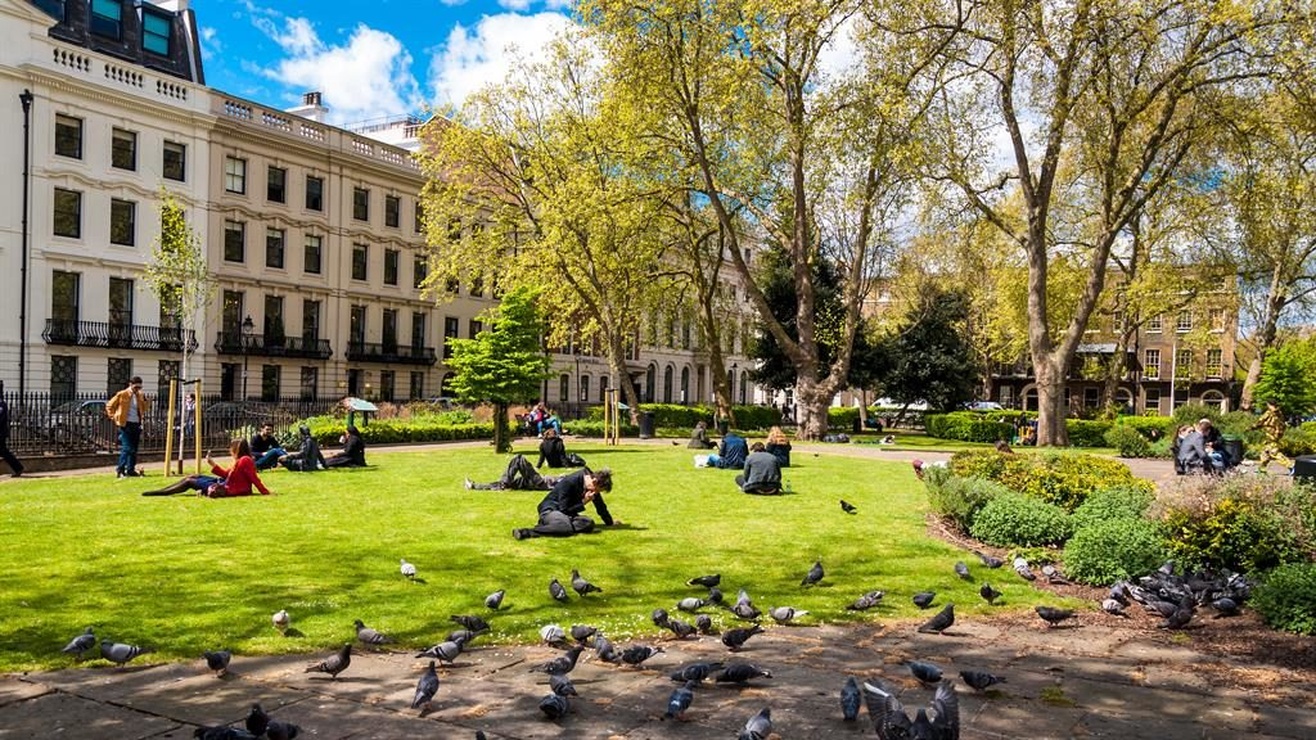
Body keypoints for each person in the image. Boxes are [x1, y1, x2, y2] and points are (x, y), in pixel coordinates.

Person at [142, 438, 271, 497]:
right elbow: (227, 475)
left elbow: (254, 478)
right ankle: (162, 490)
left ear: (237, 449)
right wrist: (212, 464)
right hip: (225, 483)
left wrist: (265, 492)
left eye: (231, 448)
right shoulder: (239, 460)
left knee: (189, 481)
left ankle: (161, 492)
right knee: (193, 476)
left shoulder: (245, 460)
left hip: (230, 488)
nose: (229, 450)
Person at [512, 468, 615, 539]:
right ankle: (526, 532)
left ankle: (555, 525)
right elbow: (564, 509)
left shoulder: (591, 485)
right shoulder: (570, 482)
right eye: (598, 490)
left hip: (566, 514)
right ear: (594, 481)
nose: (596, 493)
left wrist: (610, 522)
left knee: (588, 523)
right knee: (565, 528)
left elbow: (600, 506)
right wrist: (584, 502)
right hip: (551, 509)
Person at [106, 376, 149, 479]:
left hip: (136, 423)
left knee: (134, 448)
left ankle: (130, 470)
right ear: (130, 384)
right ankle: (120, 469)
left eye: (139, 387)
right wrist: (114, 417)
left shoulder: (140, 395)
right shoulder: (122, 394)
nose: (137, 389)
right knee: (127, 448)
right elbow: (109, 406)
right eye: (136, 387)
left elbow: (144, 409)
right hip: (125, 424)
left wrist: (146, 402)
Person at [467, 454, 565, 491]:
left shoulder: (568, 482)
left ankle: (504, 483)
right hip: (530, 482)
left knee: (519, 459)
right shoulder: (567, 479)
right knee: (505, 484)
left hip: (539, 482)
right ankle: (474, 486)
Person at [1254, 401, 1291, 473]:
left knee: (1274, 452)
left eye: (1267, 405)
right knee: (1265, 451)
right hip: (1277, 434)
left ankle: (1291, 466)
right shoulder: (1279, 413)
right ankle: (1261, 468)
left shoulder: (1269, 413)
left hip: (1271, 435)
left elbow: (1261, 421)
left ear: (1270, 405)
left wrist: (1252, 427)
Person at [0, 385, 22, 477]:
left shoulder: (1, 405)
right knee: (3, 451)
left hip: (0, 433)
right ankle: (18, 468)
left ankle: (18, 468)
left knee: (3, 451)